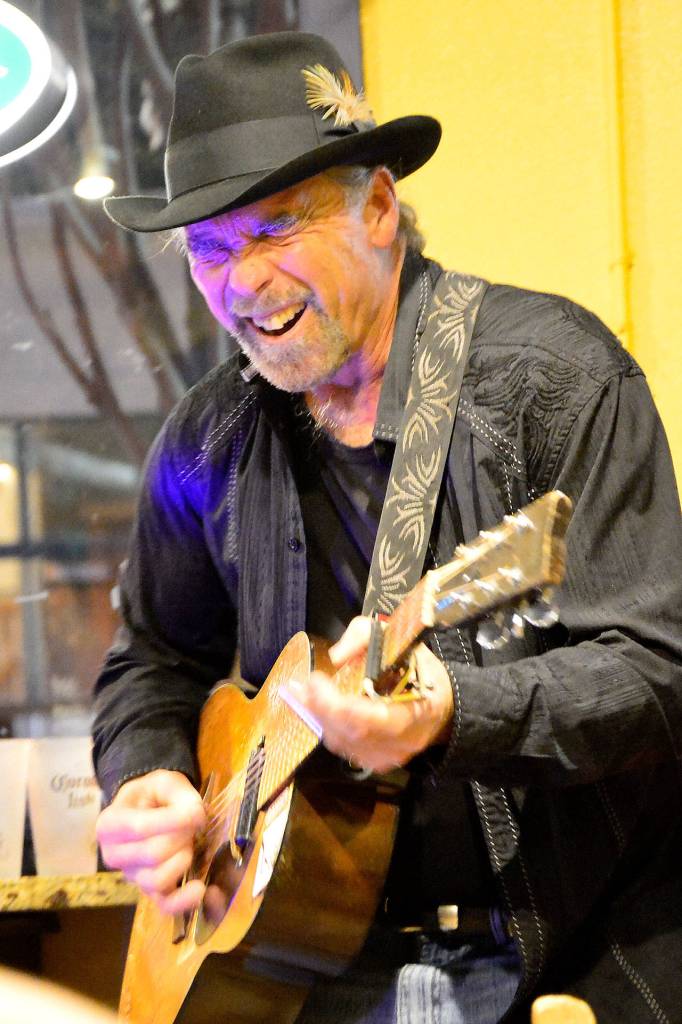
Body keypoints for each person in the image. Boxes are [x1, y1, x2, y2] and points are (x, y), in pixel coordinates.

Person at [93, 31, 682, 1024]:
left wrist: (452, 709)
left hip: (556, 959)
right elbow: (150, 657)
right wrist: (148, 775)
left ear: (376, 206)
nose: (241, 282)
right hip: (301, 974)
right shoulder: (205, 440)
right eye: (210, 248)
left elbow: (655, 666)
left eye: (275, 228)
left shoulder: (552, 377)